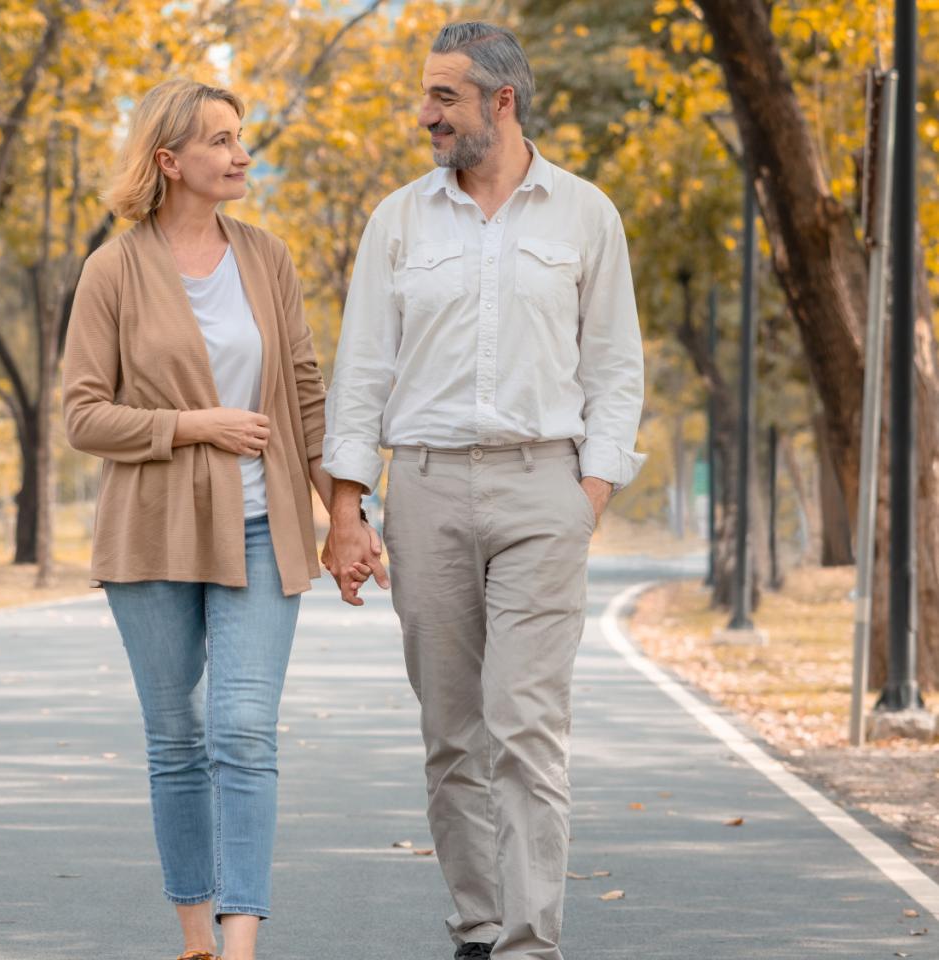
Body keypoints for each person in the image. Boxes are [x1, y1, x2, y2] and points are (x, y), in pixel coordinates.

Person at [322, 22, 646, 960]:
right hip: (422, 489)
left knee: (527, 725)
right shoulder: (398, 220)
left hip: (543, 487)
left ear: (501, 103)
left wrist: (589, 488)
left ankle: (530, 942)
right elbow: (362, 373)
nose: (425, 115)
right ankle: (476, 924)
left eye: (444, 98)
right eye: (426, 96)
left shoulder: (587, 215)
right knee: (452, 733)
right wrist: (349, 507)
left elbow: (616, 366)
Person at [62, 78, 336, 960]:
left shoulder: (268, 257)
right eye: (221, 140)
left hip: (263, 527)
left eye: (242, 136)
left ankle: (242, 941)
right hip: (152, 535)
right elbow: (82, 415)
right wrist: (191, 426)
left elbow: (302, 391)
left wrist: (347, 512)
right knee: (178, 740)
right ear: (169, 160)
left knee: (244, 730)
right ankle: (195, 938)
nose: (241, 153)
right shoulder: (113, 268)